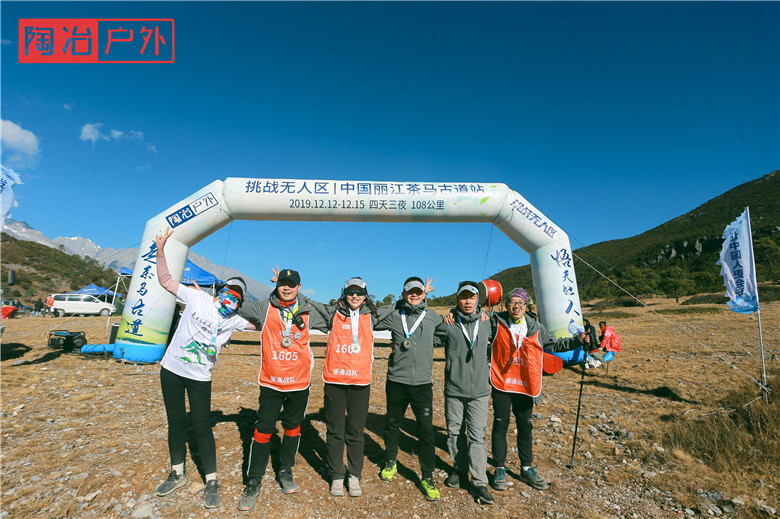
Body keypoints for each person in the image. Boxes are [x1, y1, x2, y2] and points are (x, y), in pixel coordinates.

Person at [153, 227, 256, 510]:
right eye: (228, 292)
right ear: (220, 291)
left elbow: (262, 324)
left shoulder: (234, 320)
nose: (231, 298)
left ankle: (211, 480)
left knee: (201, 426)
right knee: (175, 422)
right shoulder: (196, 298)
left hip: (200, 378)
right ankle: (178, 473)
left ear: (240, 302)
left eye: (237, 296)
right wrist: (161, 249)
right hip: (171, 370)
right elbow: (165, 280)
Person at [237, 268, 329, 509]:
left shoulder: (309, 311)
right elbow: (237, 305)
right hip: (271, 382)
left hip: (299, 383)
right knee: (264, 429)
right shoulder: (263, 308)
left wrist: (307, 301)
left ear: (299, 287)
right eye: (282, 284)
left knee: (292, 428)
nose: (286, 288)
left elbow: (333, 316)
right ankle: (253, 480)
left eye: (291, 284)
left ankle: (285, 471)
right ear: (276, 286)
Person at [489, 287, 589, 492]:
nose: (516, 306)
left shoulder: (536, 326)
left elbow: (556, 345)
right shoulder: (494, 321)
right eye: (512, 302)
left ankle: (526, 468)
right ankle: (499, 467)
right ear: (506, 304)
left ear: (526, 307)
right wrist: (454, 314)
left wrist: (578, 341)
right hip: (502, 382)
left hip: (526, 384)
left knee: (525, 426)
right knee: (500, 424)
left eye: (520, 303)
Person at [308, 277, 385, 498]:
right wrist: (283, 286)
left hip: (360, 383)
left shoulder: (373, 315)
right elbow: (306, 304)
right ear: (344, 293)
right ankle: (336, 475)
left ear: (365, 295)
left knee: (355, 431)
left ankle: (354, 475)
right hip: (335, 382)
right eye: (350, 292)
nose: (354, 296)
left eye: (359, 293)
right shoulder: (332, 312)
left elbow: (403, 311)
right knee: (334, 430)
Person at [375, 276, 443, 501]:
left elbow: (450, 329)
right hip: (396, 382)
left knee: (426, 431)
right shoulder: (395, 315)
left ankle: (427, 476)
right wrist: (396, 303)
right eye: (409, 292)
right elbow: (374, 316)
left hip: (422, 385)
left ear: (424, 294)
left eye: (418, 292)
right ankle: (391, 461)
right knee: (392, 424)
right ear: (404, 294)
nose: (414, 295)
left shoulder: (433, 317)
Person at [435, 281, 494, 505]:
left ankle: (479, 482)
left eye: (472, 297)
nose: (468, 301)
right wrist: (449, 314)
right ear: (457, 300)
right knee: (454, 433)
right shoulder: (448, 324)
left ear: (478, 299)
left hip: (479, 391)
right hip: (454, 390)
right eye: (463, 297)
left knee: (477, 436)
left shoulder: (489, 322)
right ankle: (459, 470)